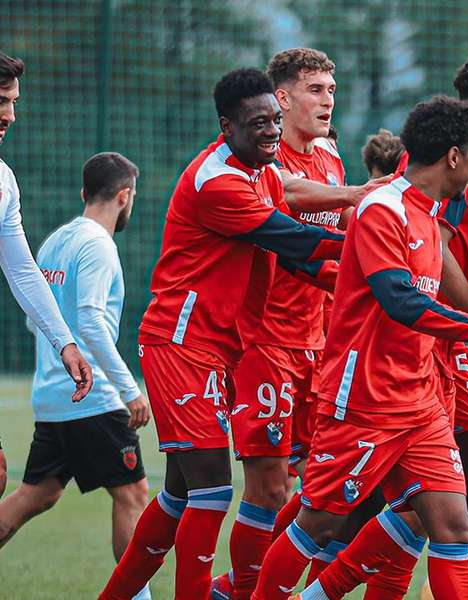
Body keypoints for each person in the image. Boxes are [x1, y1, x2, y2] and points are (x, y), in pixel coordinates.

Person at [251, 95, 468, 600]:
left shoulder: (428, 213)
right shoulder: (383, 209)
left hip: (419, 403)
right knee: (317, 524)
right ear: (453, 156)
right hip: (364, 401)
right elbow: (401, 302)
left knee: (453, 526)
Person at [98, 67, 345, 600]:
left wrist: (353, 280)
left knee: (181, 495)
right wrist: (375, 246)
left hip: (219, 350)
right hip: (181, 344)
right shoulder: (219, 181)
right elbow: (292, 238)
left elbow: (294, 258)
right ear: (226, 125)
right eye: (259, 123)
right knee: (212, 491)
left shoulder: (267, 174)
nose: (272, 132)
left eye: (275, 121)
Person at [211, 48, 353, 600]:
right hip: (264, 343)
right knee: (268, 487)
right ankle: (246, 589)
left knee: (323, 488)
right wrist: (358, 195)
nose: (327, 100)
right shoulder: (266, 158)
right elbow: (289, 198)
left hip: (319, 346)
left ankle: (240, 586)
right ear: (284, 98)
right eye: (315, 90)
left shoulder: (331, 159)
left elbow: (341, 239)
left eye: (331, 90)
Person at [0, 152, 151, 599]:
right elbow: (90, 322)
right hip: (94, 397)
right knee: (133, 495)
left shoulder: (54, 243)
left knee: (37, 495)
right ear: (124, 197)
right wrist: (130, 389)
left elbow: (36, 319)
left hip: (51, 394)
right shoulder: (99, 246)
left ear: (84, 192)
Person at [0, 52, 93, 498]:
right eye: (1, 100)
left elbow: (22, 269)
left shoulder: (4, 181)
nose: (10, 115)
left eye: (14, 102)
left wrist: (64, 342)